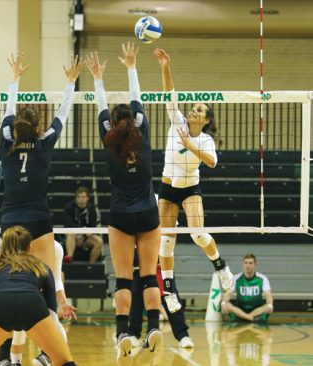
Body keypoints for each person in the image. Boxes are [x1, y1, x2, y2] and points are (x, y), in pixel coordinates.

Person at [0, 50, 81, 366]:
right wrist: (70, 83)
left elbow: (7, 110)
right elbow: (63, 114)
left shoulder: (6, 144)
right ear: (36, 126)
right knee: (46, 283)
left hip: (11, 221)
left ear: (17, 128)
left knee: (5, 284)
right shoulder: (44, 145)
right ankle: (49, 352)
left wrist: (14, 79)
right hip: (40, 220)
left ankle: (3, 353)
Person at [86, 43, 163, 364]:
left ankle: (122, 334)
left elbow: (101, 107)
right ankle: (154, 327)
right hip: (148, 212)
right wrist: (131, 66)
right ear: (133, 120)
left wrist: (97, 78)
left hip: (120, 214)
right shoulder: (142, 129)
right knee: (147, 276)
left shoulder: (108, 138)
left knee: (122, 279)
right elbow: (137, 99)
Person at [153, 48, 233, 313]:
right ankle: (169, 291)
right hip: (167, 187)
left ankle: (220, 266)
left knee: (198, 234)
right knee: (166, 240)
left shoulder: (205, 139)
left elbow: (211, 162)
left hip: (190, 188)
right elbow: (169, 95)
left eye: (199, 110)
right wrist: (165, 66)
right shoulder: (176, 120)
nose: (193, 111)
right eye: (193, 108)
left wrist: (189, 144)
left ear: (206, 119)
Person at [0, 226, 76, 366]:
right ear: (30, 247)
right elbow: (51, 310)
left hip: (0, 305)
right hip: (32, 303)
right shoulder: (41, 266)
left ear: (2, 247)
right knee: (64, 361)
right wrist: (54, 339)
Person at [5, 240, 76, 366]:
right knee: (19, 330)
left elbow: (56, 278)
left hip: (41, 295)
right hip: (21, 291)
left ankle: (44, 357)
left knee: (59, 333)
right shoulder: (21, 243)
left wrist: (63, 303)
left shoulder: (56, 247)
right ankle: (19, 362)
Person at [128, 253, 194, 350]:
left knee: (170, 298)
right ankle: (133, 334)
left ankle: (183, 335)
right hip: (139, 266)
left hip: (161, 266)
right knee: (136, 299)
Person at [222, 253, 274, 323]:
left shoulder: (262, 278)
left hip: (256, 309)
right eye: (245, 263)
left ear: (255, 265)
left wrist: (270, 305)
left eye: (250, 263)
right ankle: (251, 319)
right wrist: (223, 303)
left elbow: (268, 295)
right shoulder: (236, 278)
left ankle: (244, 318)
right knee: (227, 304)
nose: (248, 265)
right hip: (240, 309)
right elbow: (228, 293)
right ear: (242, 264)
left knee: (268, 306)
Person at [63, 186, 103, 264]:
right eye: (79, 197)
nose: (81, 199)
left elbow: (93, 225)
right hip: (73, 236)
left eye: (84, 197)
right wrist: (82, 229)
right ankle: (69, 258)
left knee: (99, 241)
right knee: (71, 233)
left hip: (86, 237)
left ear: (87, 198)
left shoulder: (91, 209)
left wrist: (88, 232)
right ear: (76, 198)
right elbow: (68, 223)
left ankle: (91, 264)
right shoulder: (69, 207)